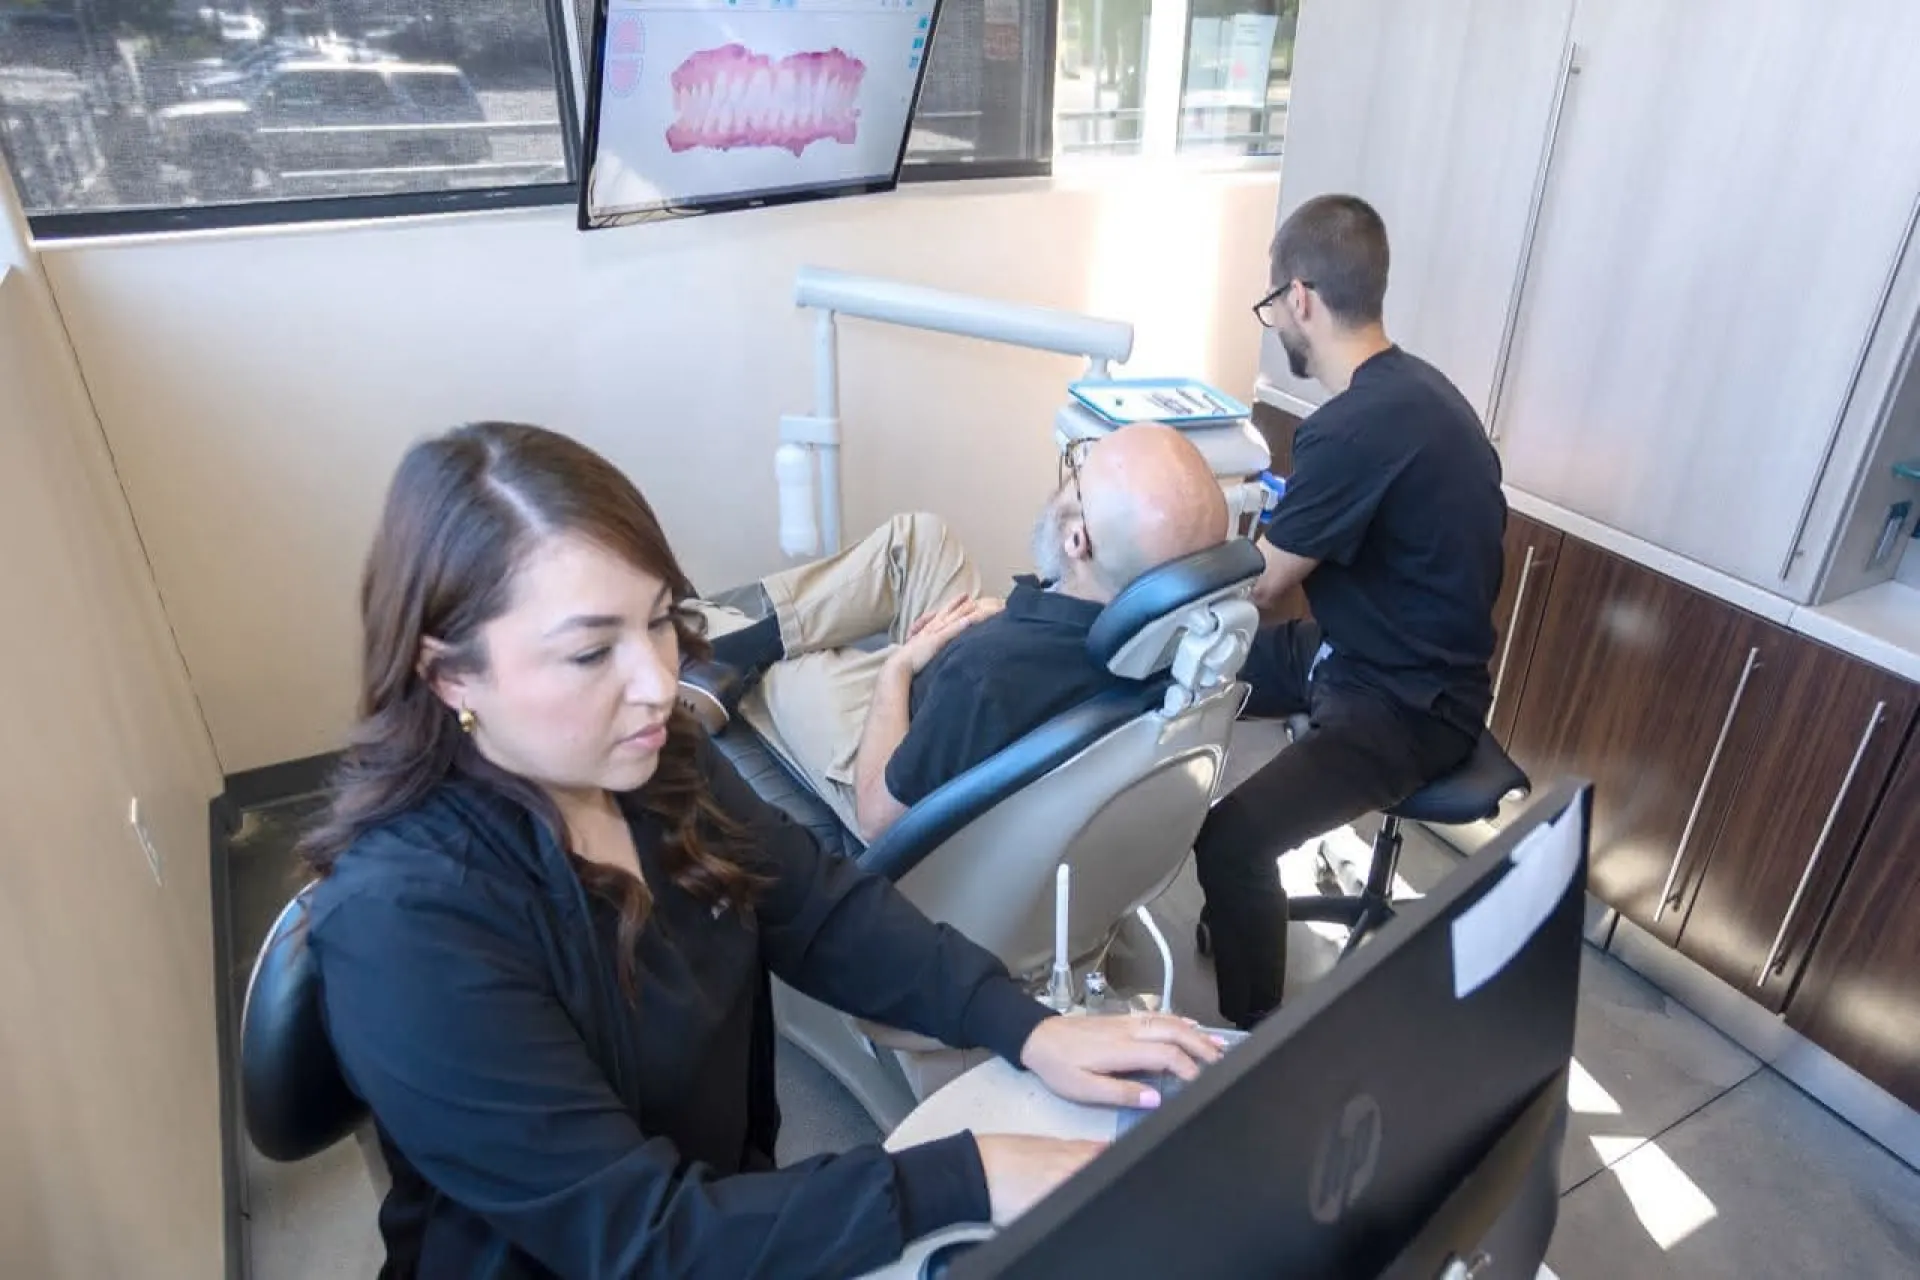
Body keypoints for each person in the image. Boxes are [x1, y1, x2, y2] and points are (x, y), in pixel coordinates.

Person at [299, 422, 1226, 1279]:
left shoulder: (656, 769)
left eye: (660, 621)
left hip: (733, 1215)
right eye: (591, 654)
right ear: (450, 673)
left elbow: (819, 908)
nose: (659, 684)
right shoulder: (404, 923)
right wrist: (968, 1173)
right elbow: (643, 1237)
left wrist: (1024, 1025)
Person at [1194, 194, 1508, 1030]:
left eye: (1271, 308)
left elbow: (1260, 585)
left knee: (1230, 840)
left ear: (1300, 298)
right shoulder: (1418, 393)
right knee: (1190, 671)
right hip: (1356, 650)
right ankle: (1237, 910)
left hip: (1405, 704)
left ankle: (1249, 1050)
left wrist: (1158, 564)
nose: (1277, 324)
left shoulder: (1355, 427)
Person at [680, 423, 1228, 842]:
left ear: (1077, 542)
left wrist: (899, 669)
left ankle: (736, 653)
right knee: (920, 539)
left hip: (885, 747)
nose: (1067, 476)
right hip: (968, 682)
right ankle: (762, 641)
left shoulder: (984, 676)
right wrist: (1000, 622)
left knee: (754, 643)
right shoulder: (1161, 632)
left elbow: (877, 819)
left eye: (1078, 473)